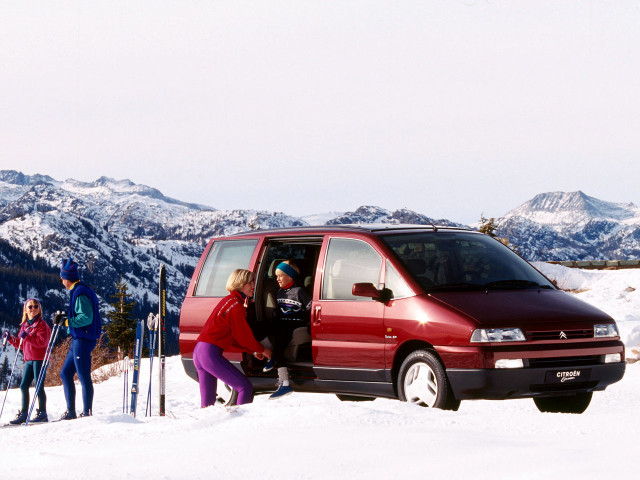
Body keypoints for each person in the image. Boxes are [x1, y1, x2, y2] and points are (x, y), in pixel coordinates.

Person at [193, 269, 272, 407]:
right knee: (244, 387)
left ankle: (207, 427)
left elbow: (232, 339)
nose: (253, 286)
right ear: (240, 283)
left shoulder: (228, 301)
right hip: (210, 354)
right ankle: (239, 426)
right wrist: (262, 349)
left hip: (199, 352)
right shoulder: (236, 305)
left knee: (207, 405)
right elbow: (243, 336)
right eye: (250, 283)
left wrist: (252, 351)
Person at [56, 258, 102, 420]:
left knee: (83, 376)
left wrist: (67, 321)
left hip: (83, 338)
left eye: (62, 277)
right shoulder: (80, 290)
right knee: (65, 373)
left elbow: (86, 317)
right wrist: (66, 319)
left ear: (67, 279)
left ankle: (86, 412)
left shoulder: (80, 293)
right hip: (79, 338)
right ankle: (71, 411)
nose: (61, 280)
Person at [264, 260, 312, 400]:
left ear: (290, 276)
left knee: (279, 346)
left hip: (295, 324)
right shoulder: (279, 292)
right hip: (283, 323)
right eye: (276, 276)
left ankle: (284, 383)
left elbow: (310, 309)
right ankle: (272, 357)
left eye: (280, 275)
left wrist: (309, 325)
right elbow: (279, 313)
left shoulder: (299, 291)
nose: (277, 279)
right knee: (262, 327)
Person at [7, 299, 52, 424]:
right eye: (30, 307)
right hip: (29, 359)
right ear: (25, 310)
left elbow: (42, 342)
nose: (33, 309)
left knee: (38, 386)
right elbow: (23, 344)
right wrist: (11, 339)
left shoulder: (42, 325)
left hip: (40, 359)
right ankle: (24, 412)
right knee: (23, 385)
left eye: (36, 306)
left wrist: (26, 336)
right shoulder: (25, 325)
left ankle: (42, 413)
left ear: (39, 309)